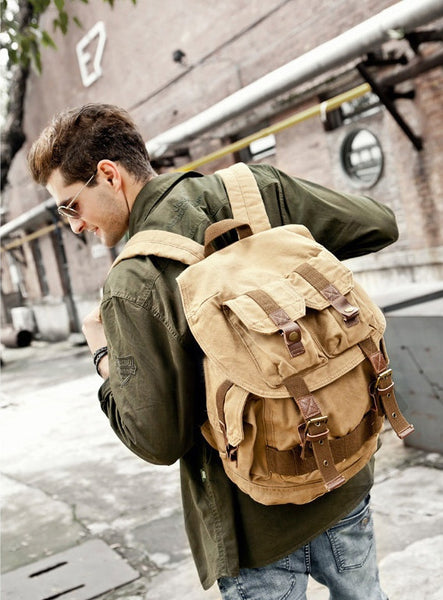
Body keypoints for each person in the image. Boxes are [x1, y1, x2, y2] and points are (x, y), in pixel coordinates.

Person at [28, 103, 397, 600]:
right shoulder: (257, 190)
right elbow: (378, 224)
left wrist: (102, 356)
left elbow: (156, 440)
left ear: (109, 176)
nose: (73, 225)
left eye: (70, 205)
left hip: (254, 526)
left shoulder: (134, 281)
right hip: (345, 469)